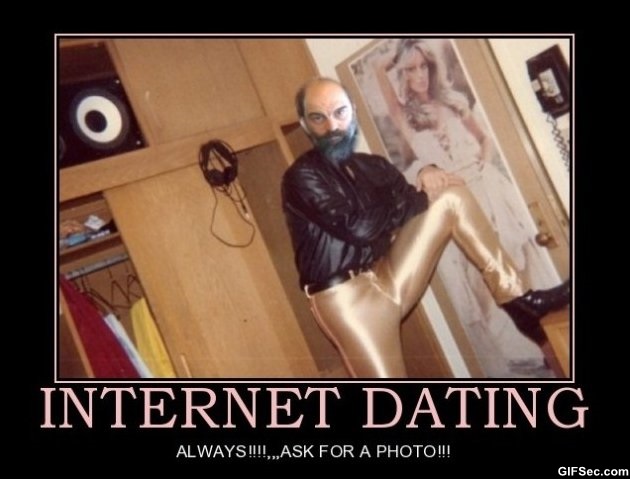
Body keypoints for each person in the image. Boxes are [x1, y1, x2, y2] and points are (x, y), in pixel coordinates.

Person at [281, 76, 570, 378]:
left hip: (388, 274)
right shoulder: (302, 176)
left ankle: (520, 302)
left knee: (450, 196)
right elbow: (360, 229)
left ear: (352, 110)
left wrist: (428, 172)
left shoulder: (372, 165)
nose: (332, 126)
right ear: (305, 125)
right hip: (347, 300)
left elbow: (415, 202)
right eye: (318, 117)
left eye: (339, 112)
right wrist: (414, 197)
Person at [370, 39, 562, 376]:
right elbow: (377, 68)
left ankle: (555, 353)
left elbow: (485, 139)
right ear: (403, 74)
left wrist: (482, 167)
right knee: (481, 285)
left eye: (424, 66)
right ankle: (522, 359)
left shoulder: (453, 102)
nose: (420, 74)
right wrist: (402, 50)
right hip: (456, 203)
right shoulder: (406, 117)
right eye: (411, 69)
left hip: (486, 188)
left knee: (516, 268)